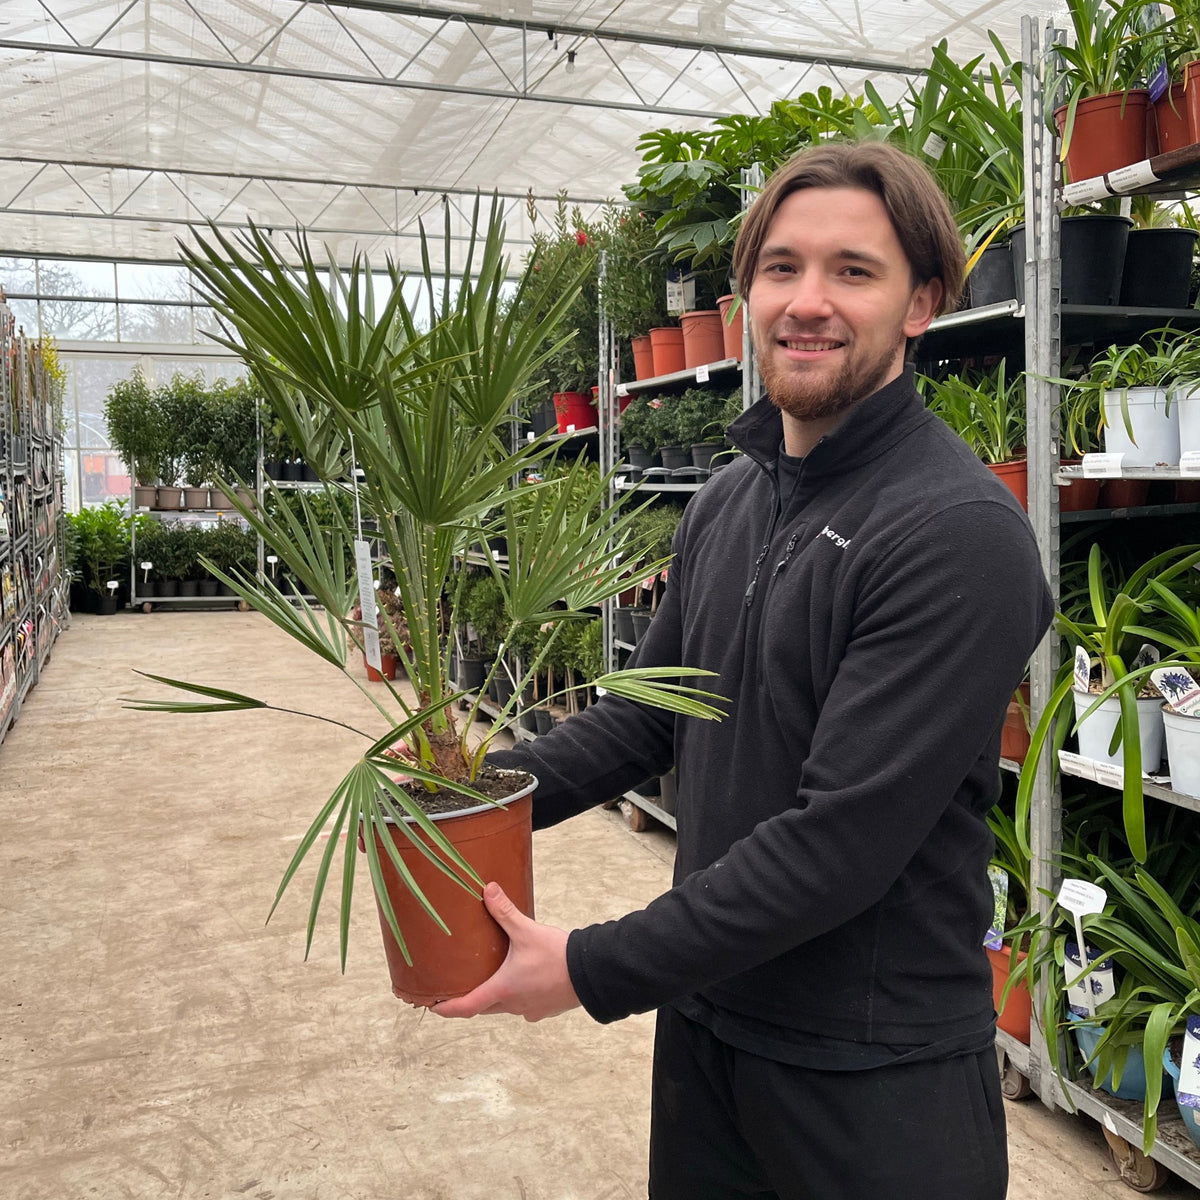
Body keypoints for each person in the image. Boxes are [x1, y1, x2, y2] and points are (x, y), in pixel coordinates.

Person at [432, 140, 1053, 1200]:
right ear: (747, 294)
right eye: (782, 268)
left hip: (869, 1076)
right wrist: (473, 795)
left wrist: (584, 966)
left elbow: (838, 848)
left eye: (853, 271)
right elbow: (649, 719)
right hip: (710, 1026)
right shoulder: (731, 498)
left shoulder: (956, 535)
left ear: (921, 304)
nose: (808, 301)